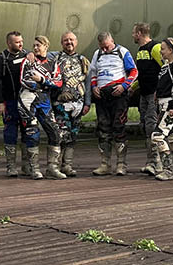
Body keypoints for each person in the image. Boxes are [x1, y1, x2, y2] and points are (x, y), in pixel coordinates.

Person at [88, 31, 137, 176]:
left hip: (119, 96)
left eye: (107, 47)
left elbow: (134, 71)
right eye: (102, 47)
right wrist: (94, 87)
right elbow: (93, 72)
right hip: (102, 97)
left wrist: (124, 86)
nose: (105, 49)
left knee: (119, 128)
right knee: (103, 130)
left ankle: (121, 164)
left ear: (112, 41)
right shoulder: (97, 54)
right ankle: (105, 164)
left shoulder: (123, 52)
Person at [18, 36, 63, 180]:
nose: (36, 48)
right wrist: (46, 83)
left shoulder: (52, 63)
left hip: (45, 100)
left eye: (39, 45)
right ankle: (34, 169)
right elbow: (24, 80)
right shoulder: (28, 60)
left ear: (46, 46)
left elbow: (58, 83)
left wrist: (42, 80)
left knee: (55, 133)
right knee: (32, 133)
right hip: (28, 100)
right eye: (34, 45)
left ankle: (52, 168)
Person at [0, 31, 27, 177]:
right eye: (17, 42)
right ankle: (11, 166)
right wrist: (0, 102)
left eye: (21, 41)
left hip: (26, 102)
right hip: (10, 102)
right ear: (9, 43)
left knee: (28, 132)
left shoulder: (28, 56)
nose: (21, 44)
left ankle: (27, 165)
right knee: (10, 133)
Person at [51, 31, 90, 177]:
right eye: (66, 40)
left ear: (76, 42)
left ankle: (67, 165)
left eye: (72, 40)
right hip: (60, 105)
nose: (69, 42)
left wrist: (87, 102)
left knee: (73, 135)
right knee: (61, 134)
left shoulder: (83, 60)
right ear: (61, 43)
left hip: (78, 105)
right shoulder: (55, 58)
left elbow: (87, 83)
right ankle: (55, 166)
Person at [151, 37, 173, 181]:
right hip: (163, 105)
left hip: (170, 106)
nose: (161, 51)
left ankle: (168, 170)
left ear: (171, 50)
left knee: (157, 136)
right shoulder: (166, 66)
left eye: (163, 49)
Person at [132, 22, 163, 175]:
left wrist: (160, 90)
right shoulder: (140, 51)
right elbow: (142, 74)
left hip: (154, 94)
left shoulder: (155, 48)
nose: (132, 35)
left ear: (139, 33)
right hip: (144, 94)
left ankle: (157, 163)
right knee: (145, 126)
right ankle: (151, 161)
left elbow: (165, 69)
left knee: (152, 126)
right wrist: (132, 87)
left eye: (134, 33)